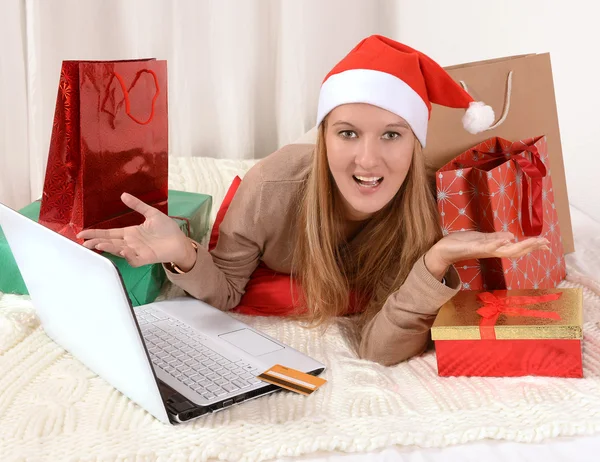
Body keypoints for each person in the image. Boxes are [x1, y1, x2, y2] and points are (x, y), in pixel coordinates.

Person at [78, 35, 549, 366]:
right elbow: (226, 291)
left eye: (391, 135)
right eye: (348, 134)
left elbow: (379, 349)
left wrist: (434, 261)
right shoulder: (273, 187)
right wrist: (181, 252)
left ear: (414, 145)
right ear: (324, 138)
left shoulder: (426, 208)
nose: (368, 160)